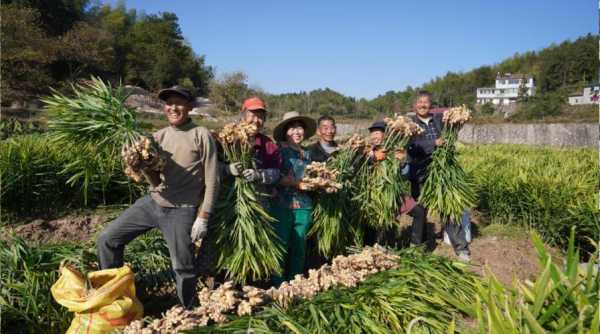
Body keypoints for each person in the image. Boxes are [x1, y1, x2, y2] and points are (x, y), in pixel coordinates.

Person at [96, 86, 220, 309]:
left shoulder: (201, 135)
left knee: (183, 265)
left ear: (190, 107)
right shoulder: (157, 137)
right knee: (107, 239)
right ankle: (115, 297)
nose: (172, 107)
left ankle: (186, 310)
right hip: (153, 203)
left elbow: (213, 179)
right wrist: (140, 165)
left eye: (178, 102)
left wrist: (203, 216)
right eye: (168, 103)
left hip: (181, 210)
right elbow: (155, 182)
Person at [407, 90, 470, 261]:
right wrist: (433, 143)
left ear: (430, 105)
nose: (422, 105)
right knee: (420, 212)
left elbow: (452, 130)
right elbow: (411, 146)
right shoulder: (409, 124)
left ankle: (461, 249)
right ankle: (417, 249)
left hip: (443, 173)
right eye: (419, 102)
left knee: (448, 209)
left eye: (426, 102)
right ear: (415, 105)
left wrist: (459, 121)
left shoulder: (438, 120)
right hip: (421, 173)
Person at [271, 111, 317, 285]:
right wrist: (296, 184)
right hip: (281, 205)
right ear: (286, 131)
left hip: (304, 206)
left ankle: (294, 284)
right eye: (293, 128)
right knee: (280, 246)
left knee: (299, 247)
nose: (297, 132)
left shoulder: (307, 154)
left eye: (300, 128)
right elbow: (274, 176)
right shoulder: (278, 149)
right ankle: (277, 285)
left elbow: (312, 177)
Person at [364, 121, 426, 248]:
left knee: (419, 212)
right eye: (373, 133)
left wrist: (402, 162)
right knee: (380, 223)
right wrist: (372, 157)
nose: (374, 136)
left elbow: (404, 176)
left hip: (394, 192)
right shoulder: (366, 149)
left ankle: (415, 247)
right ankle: (375, 248)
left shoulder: (395, 150)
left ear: (386, 135)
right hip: (374, 194)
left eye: (378, 133)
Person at [224, 97, 282, 200]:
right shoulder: (228, 138)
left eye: (260, 117)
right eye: (253, 115)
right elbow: (210, 166)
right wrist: (227, 169)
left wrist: (259, 175)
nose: (256, 120)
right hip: (229, 198)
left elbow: (276, 172)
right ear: (243, 117)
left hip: (257, 199)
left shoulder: (267, 143)